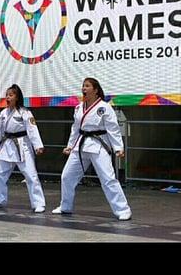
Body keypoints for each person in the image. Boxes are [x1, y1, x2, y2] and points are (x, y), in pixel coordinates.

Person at [52, 77, 132, 221]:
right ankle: (65, 206)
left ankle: (123, 209)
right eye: (83, 86)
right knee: (67, 176)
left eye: (87, 86)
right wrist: (70, 146)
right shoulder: (78, 107)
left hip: (98, 144)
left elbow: (113, 128)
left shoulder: (104, 107)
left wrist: (118, 147)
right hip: (80, 145)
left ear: (95, 90)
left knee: (108, 178)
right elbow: (75, 129)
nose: (84, 88)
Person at [0, 84, 46, 213]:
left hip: (22, 145)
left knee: (31, 175)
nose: (8, 97)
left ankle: (38, 203)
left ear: (17, 97)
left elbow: (32, 129)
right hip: (7, 145)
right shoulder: (3, 113)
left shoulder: (25, 112)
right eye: (7, 95)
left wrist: (38, 146)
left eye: (11, 95)